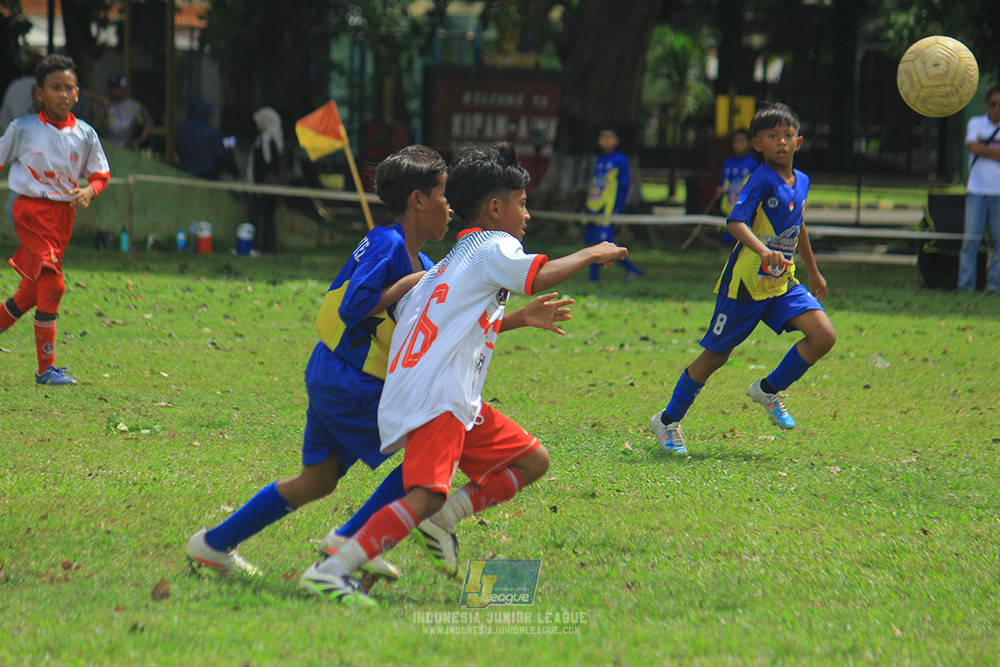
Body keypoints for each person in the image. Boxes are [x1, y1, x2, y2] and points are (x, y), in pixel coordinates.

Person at [299, 142, 628, 604]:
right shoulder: (497, 245)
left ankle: (441, 520)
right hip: (440, 396)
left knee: (533, 460)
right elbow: (536, 275)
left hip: (442, 394)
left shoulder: (451, 263)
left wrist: (519, 318)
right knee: (425, 494)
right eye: (522, 204)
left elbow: (440, 321)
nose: (527, 216)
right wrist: (592, 253)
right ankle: (333, 569)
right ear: (495, 208)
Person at [185, 145, 452, 582]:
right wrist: (406, 284)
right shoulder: (389, 243)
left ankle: (212, 544)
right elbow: (353, 307)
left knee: (317, 481)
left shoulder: (422, 260)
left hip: (334, 373)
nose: (450, 206)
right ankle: (352, 538)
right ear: (418, 201)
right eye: (443, 195)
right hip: (351, 380)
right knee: (430, 453)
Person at [649, 103, 835, 454]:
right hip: (746, 285)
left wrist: (812, 268)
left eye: (788, 135)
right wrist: (763, 251)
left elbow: (799, 225)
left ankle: (768, 389)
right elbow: (736, 222)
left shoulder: (803, 181)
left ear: (799, 141)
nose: (781, 142)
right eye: (772, 136)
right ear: (757, 144)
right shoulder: (761, 179)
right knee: (716, 356)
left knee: (824, 335)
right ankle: (667, 420)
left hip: (782, 283)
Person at [0, 54, 110, 385]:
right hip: (31, 211)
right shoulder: (23, 128)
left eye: (69, 88)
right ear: (39, 93)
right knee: (54, 283)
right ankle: (45, 370)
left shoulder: (86, 134)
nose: (62, 94)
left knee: (31, 293)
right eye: (55, 88)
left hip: (64, 216)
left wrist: (89, 191)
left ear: (78, 93)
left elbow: (100, 173)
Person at [583, 127, 642, 283]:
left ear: (617, 141)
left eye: (610, 136)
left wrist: (618, 209)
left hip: (609, 211)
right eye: (603, 136)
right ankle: (593, 280)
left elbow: (623, 186)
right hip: (596, 209)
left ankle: (634, 270)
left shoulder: (620, 160)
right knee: (593, 243)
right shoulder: (599, 160)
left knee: (605, 245)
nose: (606, 140)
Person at [958, 86, 1000, 293]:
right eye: (993, 104)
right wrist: (992, 151)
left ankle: (994, 286)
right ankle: (966, 286)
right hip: (977, 191)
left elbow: (978, 147)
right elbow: (972, 147)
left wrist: (983, 149)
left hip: (998, 192)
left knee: (998, 242)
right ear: (987, 104)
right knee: (971, 241)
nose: (997, 108)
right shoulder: (975, 122)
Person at [248, 107, 284, 254]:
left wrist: (258, 185)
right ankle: (268, 248)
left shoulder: (266, 140)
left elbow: (265, 164)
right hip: (269, 186)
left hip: (263, 187)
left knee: (256, 216)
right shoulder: (276, 138)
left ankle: (254, 246)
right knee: (269, 218)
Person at [175, 98, 238, 180]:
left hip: (187, 175)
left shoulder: (181, 131)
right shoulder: (210, 132)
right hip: (207, 176)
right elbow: (223, 155)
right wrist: (236, 173)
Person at [101, 75, 151, 150]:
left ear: (123, 89)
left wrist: (140, 140)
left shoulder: (135, 106)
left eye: (116, 89)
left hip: (127, 147)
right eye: (112, 89)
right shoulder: (108, 104)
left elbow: (148, 125)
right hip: (109, 146)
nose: (113, 92)